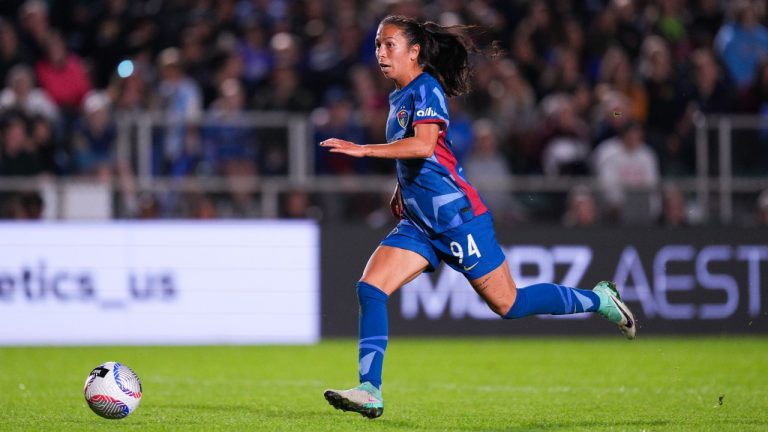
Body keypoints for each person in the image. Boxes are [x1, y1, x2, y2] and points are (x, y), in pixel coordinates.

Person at [318, 15, 636, 420]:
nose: (381, 52)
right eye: (378, 44)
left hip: (458, 219)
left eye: (389, 44)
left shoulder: (426, 87)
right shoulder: (399, 96)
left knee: (510, 304)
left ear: (414, 51)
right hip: (420, 223)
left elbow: (424, 145)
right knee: (370, 288)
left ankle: (600, 300)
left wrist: (364, 150)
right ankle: (369, 389)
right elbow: (425, 155)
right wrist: (401, 187)